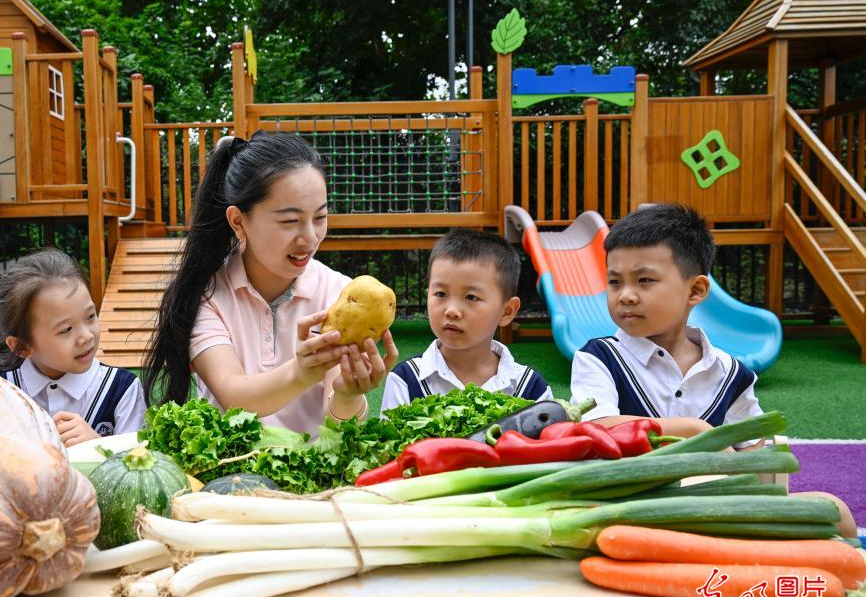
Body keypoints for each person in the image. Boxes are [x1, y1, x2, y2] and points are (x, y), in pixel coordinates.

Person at [142, 131, 397, 433]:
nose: (310, 237)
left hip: (313, 477)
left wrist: (347, 395)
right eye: (289, 221)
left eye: (320, 217)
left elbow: (338, 428)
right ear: (238, 221)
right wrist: (301, 372)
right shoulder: (206, 295)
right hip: (233, 472)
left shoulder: (338, 292)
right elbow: (234, 397)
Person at [569, 204, 752, 438]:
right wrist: (696, 429)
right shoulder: (599, 357)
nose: (625, 295)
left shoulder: (730, 374)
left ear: (695, 290)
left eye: (644, 279)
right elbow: (597, 426)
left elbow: (751, 446)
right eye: (615, 282)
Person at [0, 248, 145, 445]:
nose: (86, 336)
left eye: (91, 316)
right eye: (66, 329)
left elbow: (139, 465)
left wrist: (97, 446)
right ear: (22, 346)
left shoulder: (122, 389)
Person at [382, 229, 551, 410]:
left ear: (507, 311)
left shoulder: (530, 389)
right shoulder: (406, 380)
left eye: (471, 297)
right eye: (440, 294)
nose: (452, 311)